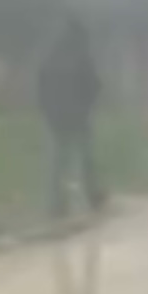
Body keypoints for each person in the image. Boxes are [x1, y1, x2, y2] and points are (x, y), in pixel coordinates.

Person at [37, 18, 104, 219]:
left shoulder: (50, 55)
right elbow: (94, 86)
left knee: (55, 164)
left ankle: (53, 206)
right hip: (77, 118)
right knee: (78, 162)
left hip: (53, 118)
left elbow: (41, 85)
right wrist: (87, 107)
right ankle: (80, 205)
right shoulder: (82, 56)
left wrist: (46, 109)